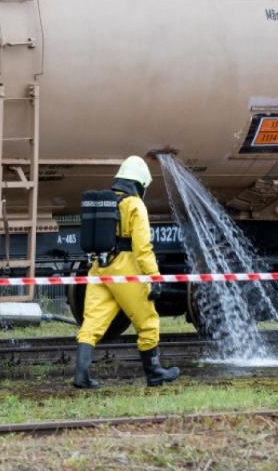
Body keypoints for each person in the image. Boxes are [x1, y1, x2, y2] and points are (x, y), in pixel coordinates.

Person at [75, 156, 179, 389]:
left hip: (100, 268)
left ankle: (81, 375)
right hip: (126, 269)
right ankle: (154, 373)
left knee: (92, 322)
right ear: (139, 184)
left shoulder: (107, 202)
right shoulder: (134, 204)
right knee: (148, 321)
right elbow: (142, 248)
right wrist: (154, 277)